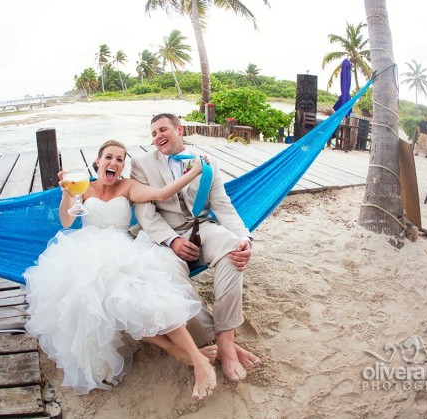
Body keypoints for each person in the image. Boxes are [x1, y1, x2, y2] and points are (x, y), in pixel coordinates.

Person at [24, 140, 217, 400]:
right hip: (87, 253)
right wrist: (66, 195)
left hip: (123, 249)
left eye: (119, 159)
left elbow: (160, 194)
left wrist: (193, 173)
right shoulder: (82, 188)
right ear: (97, 162)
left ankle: (195, 357)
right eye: (108, 157)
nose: (113, 162)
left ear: (123, 166)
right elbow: (67, 220)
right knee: (102, 296)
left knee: (144, 293)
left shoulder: (128, 186)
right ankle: (179, 352)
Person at [130, 113, 262, 382]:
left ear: (179, 130)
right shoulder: (141, 164)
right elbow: (146, 214)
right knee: (168, 273)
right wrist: (173, 241)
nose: (157, 137)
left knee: (231, 248)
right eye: (153, 133)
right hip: (164, 237)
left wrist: (245, 239)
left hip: (201, 227)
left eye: (163, 129)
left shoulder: (207, 163)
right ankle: (209, 339)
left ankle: (226, 339)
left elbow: (222, 205)